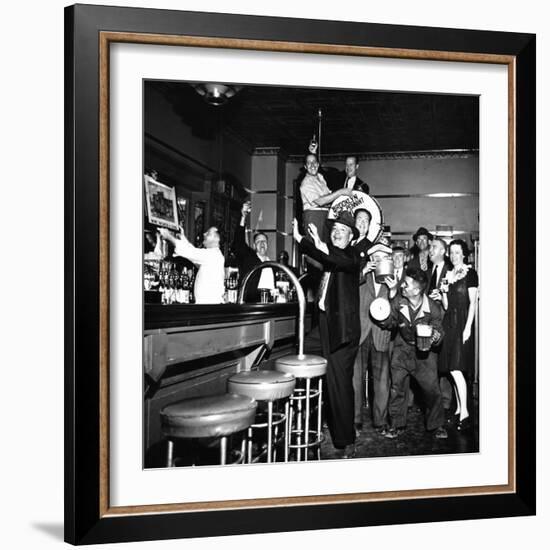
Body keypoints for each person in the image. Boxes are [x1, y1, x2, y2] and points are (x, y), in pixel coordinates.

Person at [292, 212, 360, 458]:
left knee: (339, 387)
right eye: (335, 229)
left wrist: (303, 239)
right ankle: (298, 418)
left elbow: (335, 258)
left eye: (343, 230)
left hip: (342, 331)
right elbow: (325, 256)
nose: (337, 232)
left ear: (351, 237)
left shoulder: (352, 256)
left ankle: (347, 440)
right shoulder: (330, 257)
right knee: (298, 353)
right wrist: (313, 242)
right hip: (324, 325)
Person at [382, 267, 448, 439]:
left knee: (432, 390)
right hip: (402, 349)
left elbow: (439, 331)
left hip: (424, 353)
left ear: (417, 290)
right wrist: (383, 317)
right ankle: (396, 425)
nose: (402, 286)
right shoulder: (398, 302)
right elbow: (391, 323)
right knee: (397, 388)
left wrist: (436, 337)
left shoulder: (433, 308)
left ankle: (437, 425)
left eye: (406, 284)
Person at [353, 242, 397, 435]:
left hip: (381, 335)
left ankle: (380, 421)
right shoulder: (361, 277)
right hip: (361, 334)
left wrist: (394, 291)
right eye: (376, 258)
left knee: (382, 380)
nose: (380, 262)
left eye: (384, 258)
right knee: (355, 378)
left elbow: (397, 312)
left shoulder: (393, 281)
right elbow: (345, 290)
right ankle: (355, 419)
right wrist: (362, 272)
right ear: (371, 260)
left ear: (389, 260)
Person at [439, 239, 479, 431]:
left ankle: (466, 414)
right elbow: (446, 306)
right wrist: (444, 292)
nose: (454, 256)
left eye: (457, 252)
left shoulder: (471, 273)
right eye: (451, 252)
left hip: (463, 323)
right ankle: (458, 410)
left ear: (464, 254)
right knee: (451, 368)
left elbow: (473, 303)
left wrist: (468, 328)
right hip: (449, 324)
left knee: (456, 368)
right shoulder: (448, 274)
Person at [158, 226, 225, 304]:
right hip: (207, 305)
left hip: (209, 305)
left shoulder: (212, 255)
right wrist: (183, 238)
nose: (204, 234)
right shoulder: (214, 254)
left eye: (208, 233)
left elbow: (191, 252)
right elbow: (194, 254)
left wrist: (168, 236)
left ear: (215, 238)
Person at [300, 153, 352, 243]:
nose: (312, 165)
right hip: (314, 217)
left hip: (325, 216)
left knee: (325, 249)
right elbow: (320, 201)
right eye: (309, 163)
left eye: (314, 162)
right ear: (305, 166)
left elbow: (328, 195)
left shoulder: (320, 177)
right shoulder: (306, 183)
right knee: (316, 248)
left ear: (318, 164)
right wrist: (340, 192)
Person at [232, 201, 274, 302]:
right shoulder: (249, 258)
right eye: (259, 242)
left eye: (264, 241)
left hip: (270, 304)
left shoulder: (271, 263)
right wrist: (243, 217)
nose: (262, 243)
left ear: (267, 245)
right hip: (253, 304)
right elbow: (238, 243)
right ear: (254, 245)